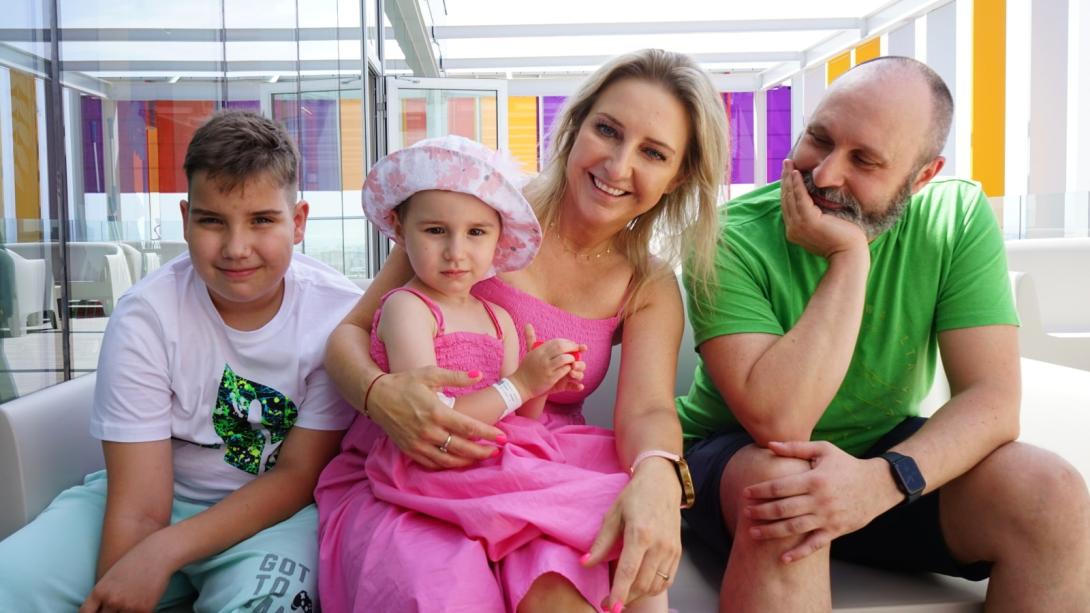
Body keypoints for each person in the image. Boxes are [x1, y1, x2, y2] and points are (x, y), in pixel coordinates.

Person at [316, 48, 729, 613]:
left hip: (538, 462)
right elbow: (348, 336)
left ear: (678, 176)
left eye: (653, 153)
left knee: (583, 588)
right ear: (576, 125)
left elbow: (647, 411)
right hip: (420, 460)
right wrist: (379, 394)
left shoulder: (648, 284)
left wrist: (658, 473)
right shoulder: (476, 213)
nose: (617, 165)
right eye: (607, 130)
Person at [677, 56, 1090, 612]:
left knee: (1052, 493)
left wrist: (881, 483)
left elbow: (992, 399)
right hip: (735, 457)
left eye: (865, 161)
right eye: (818, 138)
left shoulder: (956, 216)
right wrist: (849, 257)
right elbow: (780, 420)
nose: (823, 175)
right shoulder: (726, 239)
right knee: (784, 488)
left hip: (878, 460)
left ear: (922, 177)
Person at [0, 110, 361, 612]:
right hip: (149, 501)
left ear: (297, 222)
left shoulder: (337, 314)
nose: (237, 248)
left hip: (277, 516)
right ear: (186, 218)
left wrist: (163, 552)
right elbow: (140, 504)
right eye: (212, 220)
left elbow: (298, 477)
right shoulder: (147, 314)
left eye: (262, 220)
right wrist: (133, 567)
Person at [357, 134, 650, 583]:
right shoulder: (407, 309)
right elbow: (432, 418)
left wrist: (544, 381)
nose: (456, 252)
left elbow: (524, 417)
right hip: (437, 461)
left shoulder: (498, 319)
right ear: (400, 230)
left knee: (616, 491)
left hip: (496, 448)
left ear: (498, 240)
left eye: (476, 233)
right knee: (585, 502)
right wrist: (520, 384)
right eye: (435, 231)